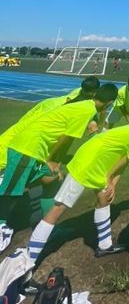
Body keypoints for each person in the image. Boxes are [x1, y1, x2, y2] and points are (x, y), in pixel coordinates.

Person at [27, 119, 129, 263]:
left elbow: (123, 159)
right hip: (88, 162)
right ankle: (28, 258)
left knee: (104, 199)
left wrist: (112, 184)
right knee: (57, 209)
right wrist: (109, 177)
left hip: (97, 161)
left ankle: (104, 245)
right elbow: (127, 159)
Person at [0, 85, 118, 228]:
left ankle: (44, 224)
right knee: (11, 192)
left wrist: (54, 162)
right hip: (27, 148)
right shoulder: (86, 110)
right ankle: (2, 227)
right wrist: (50, 160)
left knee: (52, 179)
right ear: (109, 103)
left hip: (36, 149)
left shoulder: (84, 105)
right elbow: (66, 137)